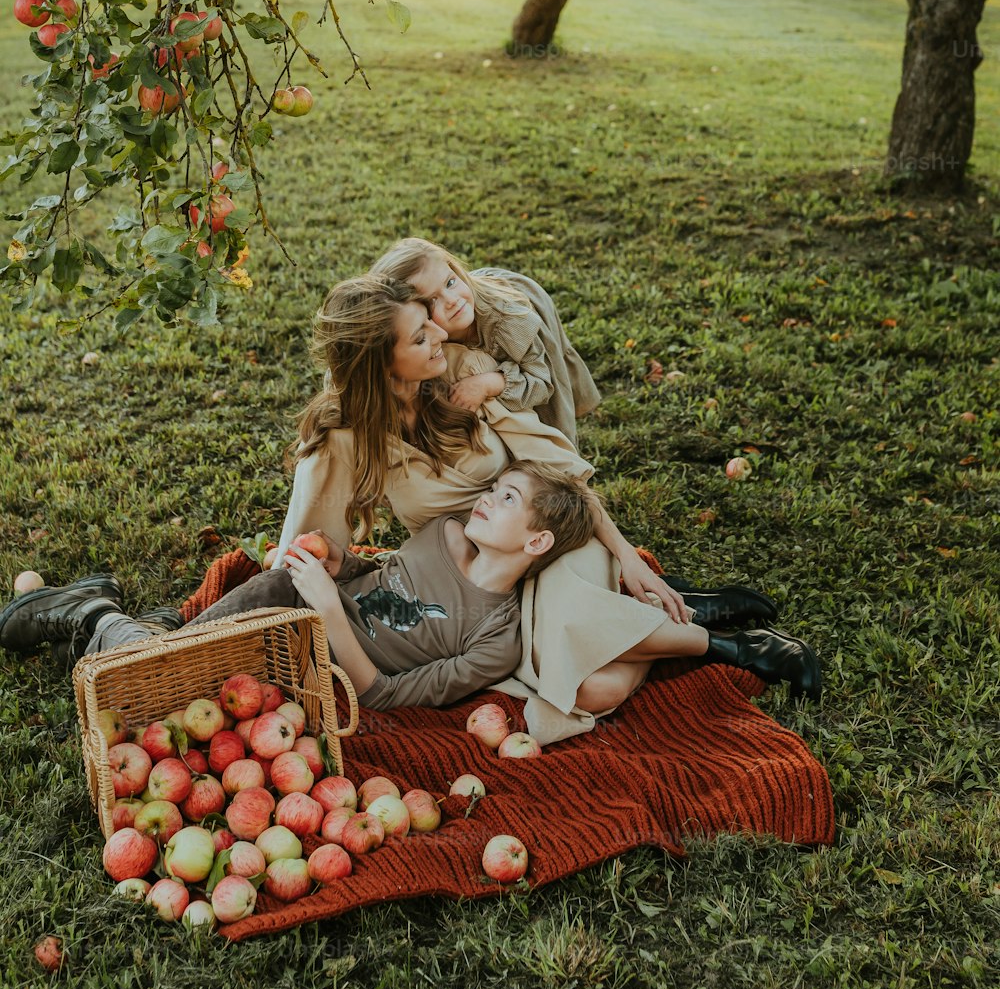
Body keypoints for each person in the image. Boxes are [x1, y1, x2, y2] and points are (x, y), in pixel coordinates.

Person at [267, 274, 819, 742]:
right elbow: (306, 554)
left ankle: (733, 647)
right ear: (383, 361)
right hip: (478, 586)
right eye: (420, 333)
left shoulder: (464, 372)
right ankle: (674, 618)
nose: (441, 330)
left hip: (547, 538)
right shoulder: (349, 438)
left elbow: (556, 476)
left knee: (578, 624)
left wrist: (625, 555)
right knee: (590, 689)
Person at [0, 463, 598, 714]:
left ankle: (93, 614)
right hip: (283, 605)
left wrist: (328, 608)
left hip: (312, 661)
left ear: (537, 543)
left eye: (508, 499)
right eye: (494, 488)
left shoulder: (496, 638)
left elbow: (384, 696)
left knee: (156, 694)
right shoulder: (442, 532)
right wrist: (339, 565)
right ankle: (106, 621)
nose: (487, 499)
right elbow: (377, 575)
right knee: (159, 679)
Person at [370, 237, 600, 445]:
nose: (452, 300)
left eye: (450, 282)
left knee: (551, 386)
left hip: (522, 310)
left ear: (455, 271)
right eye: (432, 301)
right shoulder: (425, 331)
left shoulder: (509, 323)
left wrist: (489, 383)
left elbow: (542, 382)